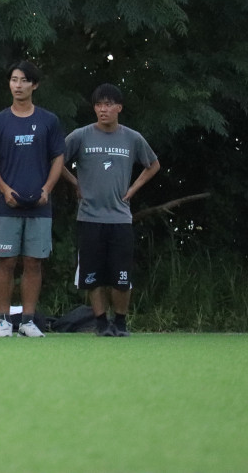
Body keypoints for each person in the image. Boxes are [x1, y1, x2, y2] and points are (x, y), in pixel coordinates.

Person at [63, 83, 159, 337]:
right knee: (92, 276)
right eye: (98, 105)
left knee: (121, 277)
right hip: (89, 217)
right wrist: (75, 183)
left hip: (120, 218)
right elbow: (56, 160)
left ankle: (121, 322)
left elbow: (153, 164)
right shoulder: (80, 136)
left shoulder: (132, 138)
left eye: (108, 104)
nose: (102, 110)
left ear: (119, 108)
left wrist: (133, 189)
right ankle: (101, 323)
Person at [0, 61, 65, 338]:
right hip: (7, 204)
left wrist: (47, 189)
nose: (18, 85)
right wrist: (4, 190)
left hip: (40, 205)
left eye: (24, 80)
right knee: (5, 262)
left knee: (33, 262)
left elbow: (58, 158)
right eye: (14, 80)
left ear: (34, 85)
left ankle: (28, 321)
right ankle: (4, 320)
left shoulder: (49, 121)